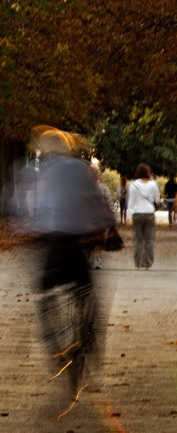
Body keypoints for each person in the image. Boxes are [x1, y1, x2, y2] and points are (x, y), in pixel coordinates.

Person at [15, 128, 114, 375]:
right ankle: (89, 343)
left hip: (54, 244)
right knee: (88, 294)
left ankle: (54, 343)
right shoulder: (82, 169)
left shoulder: (43, 172)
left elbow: (38, 209)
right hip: (75, 245)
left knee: (45, 294)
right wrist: (107, 227)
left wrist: (30, 230)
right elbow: (96, 203)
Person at [126, 164, 160, 269]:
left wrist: (128, 216)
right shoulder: (153, 185)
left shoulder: (133, 185)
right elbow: (157, 199)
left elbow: (130, 202)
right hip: (149, 212)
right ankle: (147, 263)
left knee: (138, 239)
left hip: (137, 213)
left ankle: (138, 262)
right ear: (148, 173)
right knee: (149, 239)